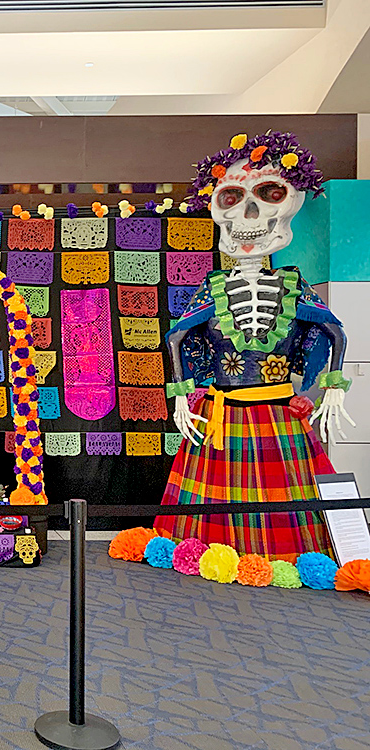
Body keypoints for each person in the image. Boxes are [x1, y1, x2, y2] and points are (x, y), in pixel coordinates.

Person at [155, 132, 354, 560]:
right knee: (217, 496)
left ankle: (286, 557)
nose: (248, 213)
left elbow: (334, 329)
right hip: (221, 410)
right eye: (232, 198)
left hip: (277, 409)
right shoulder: (214, 287)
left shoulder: (292, 283)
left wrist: (332, 386)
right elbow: (177, 335)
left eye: (266, 196)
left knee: (285, 492)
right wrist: (180, 396)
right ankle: (212, 554)